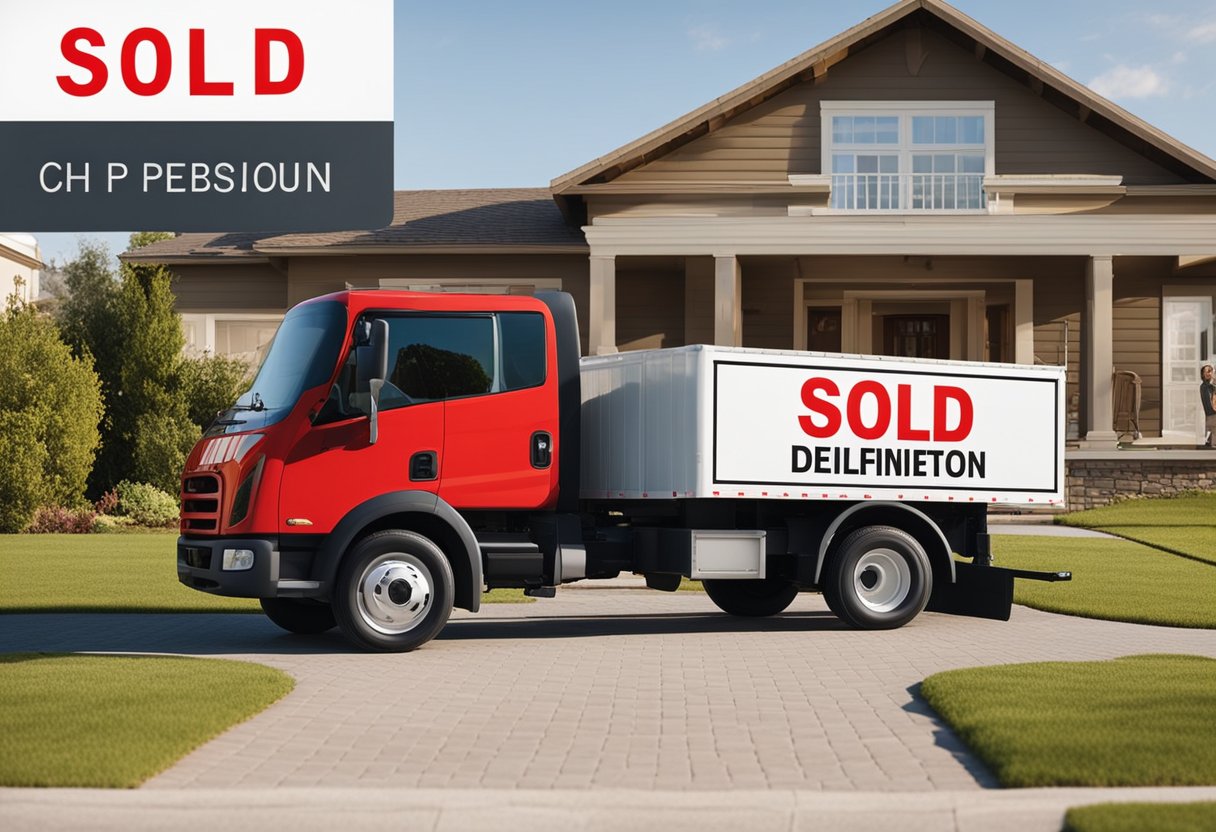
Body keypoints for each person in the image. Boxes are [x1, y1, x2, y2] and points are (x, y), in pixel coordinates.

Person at [1201, 364, 1216, 448]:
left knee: (1213, 429)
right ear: (1203, 374)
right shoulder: (1205, 386)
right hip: (1212, 413)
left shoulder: (1211, 386)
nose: (1209, 373)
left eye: (1210, 371)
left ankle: (1209, 442)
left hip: (1212, 413)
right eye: (1207, 371)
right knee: (1214, 428)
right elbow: (1208, 402)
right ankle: (1212, 444)